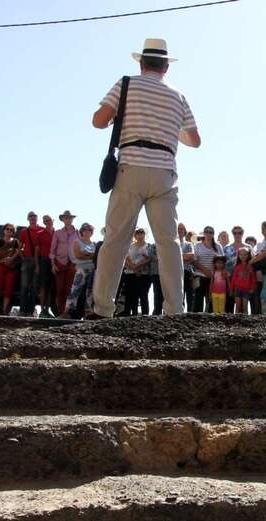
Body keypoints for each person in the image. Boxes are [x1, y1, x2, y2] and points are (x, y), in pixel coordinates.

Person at [92, 38, 200, 319]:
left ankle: (103, 309)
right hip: (165, 172)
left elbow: (98, 121)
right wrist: (168, 129)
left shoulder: (127, 84)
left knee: (116, 240)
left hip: (131, 166)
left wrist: (121, 118)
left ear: (141, 63)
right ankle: (175, 311)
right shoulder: (178, 96)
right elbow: (195, 140)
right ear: (166, 67)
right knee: (168, 243)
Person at [63, 223, 97, 319]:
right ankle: (67, 311)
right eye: (85, 230)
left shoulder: (94, 244)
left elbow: (95, 257)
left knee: (90, 291)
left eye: (89, 230)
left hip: (92, 270)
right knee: (75, 289)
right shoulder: (77, 242)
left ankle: (88, 312)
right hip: (81, 269)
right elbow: (78, 255)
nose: (87, 231)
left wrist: (86, 254)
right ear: (82, 231)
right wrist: (90, 255)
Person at [0, 224, 21, 315]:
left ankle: (4, 310)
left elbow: (18, 252)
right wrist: (2, 261)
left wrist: (11, 259)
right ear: (4, 230)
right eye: (7, 229)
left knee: (9, 288)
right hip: (0, 266)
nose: (9, 231)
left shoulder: (16, 241)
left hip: (11, 267)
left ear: (13, 232)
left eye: (11, 230)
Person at [50, 211, 79, 316]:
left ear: (72, 219)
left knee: (70, 289)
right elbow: (52, 250)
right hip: (60, 262)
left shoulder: (78, 233)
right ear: (62, 219)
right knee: (60, 289)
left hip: (73, 263)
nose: (68, 219)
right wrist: (53, 264)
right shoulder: (57, 233)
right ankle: (60, 312)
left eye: (69, 218)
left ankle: (67, 312)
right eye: (66, 218)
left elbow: (80, 247)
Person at [123, 228, 153, 316]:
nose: (140, 234)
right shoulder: (129, 246)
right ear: (134, 235)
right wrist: (134, 269)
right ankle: (132, 316)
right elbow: (125, 258)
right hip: (130, 274)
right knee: (131, 296)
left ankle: (145, 316)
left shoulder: (149, 246)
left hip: (144, 275)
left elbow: (149, 259)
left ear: (145, 234)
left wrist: (137, 267)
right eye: (137, 233)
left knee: (143, 296)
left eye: (142, 232)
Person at [19, 211, 43, 316]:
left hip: (39, 260)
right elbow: (19, 247)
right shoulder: (24, 231)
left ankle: (30, 311)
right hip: (27, 260)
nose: (33, 218)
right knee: (24, 287)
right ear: (28, 219)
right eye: (31, 217)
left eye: (35, 217)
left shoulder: (42, 230)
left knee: (34, 287)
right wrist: (23, 258)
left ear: (37, 218)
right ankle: (22, 310)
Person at [193, 227, 223, 313]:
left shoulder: (218, 246)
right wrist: (205, 270)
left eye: (210, 232)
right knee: (198, 299)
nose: (208, 234)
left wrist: (215, 274)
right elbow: (194, 261)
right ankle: (196, 318)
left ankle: (209, 318)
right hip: (199, 275)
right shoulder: (197, 245)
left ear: (213, 234)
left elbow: (222, 261)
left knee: (211, 300)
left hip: (214, 277)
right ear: (204, 233)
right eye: (206, 232)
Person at [224, 226, 251, 314]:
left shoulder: (248, 247)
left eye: (239, 233)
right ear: (232, 234)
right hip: (230, 278)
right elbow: (223, 263)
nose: (237, 235)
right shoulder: (227, 247)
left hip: (244, 279)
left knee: (243, 306)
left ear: (242, 234)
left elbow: (252, 262)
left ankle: (244, 321)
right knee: (229, 303)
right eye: (235, 233)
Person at [36, 215, 55, 318]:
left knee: (51, 287)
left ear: (53, 220)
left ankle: (47, 310)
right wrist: (37, 265)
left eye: (49, 220)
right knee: (43, 286)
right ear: (44, 223)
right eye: (45, 221)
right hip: (44, 261)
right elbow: (37, 251)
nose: (48, 222)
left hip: (54, 261)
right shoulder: (40, 234)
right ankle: (42, 309)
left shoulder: (57, 233)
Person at [230, 248, 256, 314]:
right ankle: (236, 319)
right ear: (238, 255)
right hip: (237, 289)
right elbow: (233, 279)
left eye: (245, 254)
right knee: (237, 307)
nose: (243, 256)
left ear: (248, 255)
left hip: (246, 289)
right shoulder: (237, 266)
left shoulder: (250, 266)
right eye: (241, 254)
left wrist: (252, 288)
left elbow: (253, 278)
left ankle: (245, 320)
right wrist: (231, 289)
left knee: (245, 307)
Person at [178, 223, 195, 312]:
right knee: (179, 296)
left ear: (185, 231)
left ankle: (190, 314)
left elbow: (191, 256)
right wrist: (184, 257)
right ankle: (179, 314)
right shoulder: (172, 245)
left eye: (182, 229)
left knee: (189, 295)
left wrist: (176, 256)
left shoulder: (189, 244)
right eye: (178, 228)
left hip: (187, 272)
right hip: (175, 273)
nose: (180, 230)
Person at [147, 243, 163, 315]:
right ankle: (157, 311)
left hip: (167, 273)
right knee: (157, 293)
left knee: (167, 293)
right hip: (156, 273)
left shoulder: (168, 244)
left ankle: (166, 311)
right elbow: (151, 256)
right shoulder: (153, 246)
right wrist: (163, 258)